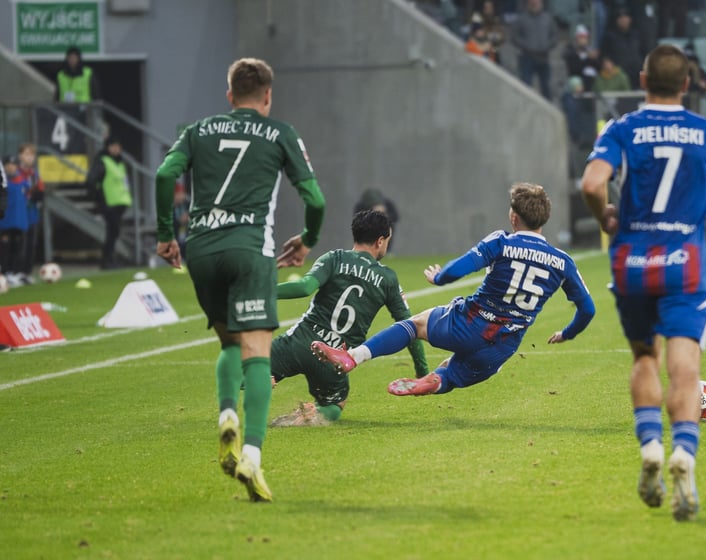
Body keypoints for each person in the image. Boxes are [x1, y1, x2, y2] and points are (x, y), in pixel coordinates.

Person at [580, 44, 706, 522]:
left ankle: (651, 446)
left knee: (644, 358)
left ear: (642, 80)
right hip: (685, 265)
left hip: (632, 262)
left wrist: (607, 219)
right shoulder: (704, 132)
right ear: (686, 84)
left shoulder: (622, 128)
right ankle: (684, 455)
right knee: (684, 367)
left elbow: (593, 184)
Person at [155, 57, 326, 503]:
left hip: (202, 250)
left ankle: (227, 411)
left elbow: (164, 173)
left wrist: (164, 235)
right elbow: (315, 197)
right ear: (267, 96)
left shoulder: (198, 130)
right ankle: (251, 452)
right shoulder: (280, 133)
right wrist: (307, 239)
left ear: (229, 95)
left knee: (229, 342)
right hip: (250, 249)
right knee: (257, 348)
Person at [311, 182, 595, 399]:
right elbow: (588, 310)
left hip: (470, 323)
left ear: (513, 216)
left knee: (416, 325)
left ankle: (354, 356)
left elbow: (459, 269)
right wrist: (566, 333)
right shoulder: (563, 262)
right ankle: (438, 380)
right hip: (504, 344)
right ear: (544, 219)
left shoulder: (502, 242)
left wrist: (439, 278)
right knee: (455, 372)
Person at [269, 210, 427, 426]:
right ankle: (313, 415)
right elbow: (410, 327)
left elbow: (305, 287)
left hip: (298, 342)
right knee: (335, 405)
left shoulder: (334, 258)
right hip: (334, 359)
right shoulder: (387, 278)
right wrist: (422, 372)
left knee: (252, 368)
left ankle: (251, 391)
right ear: (380, 241)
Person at [85, 137, 132, 269]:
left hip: (120, 202)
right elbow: (91, 181)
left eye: (118, 146)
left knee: (114, 232)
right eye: (113, 146)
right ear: (107, 147)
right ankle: (106, 260)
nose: (116, 149)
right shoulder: (102, 162)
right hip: (109, 203)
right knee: (112, 232)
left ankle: (110, 259)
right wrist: (99, 198)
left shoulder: (120, 162)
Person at [511, 0, 560, 100]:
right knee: (525, 86)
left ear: (541, 3)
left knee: (546, 87)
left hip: (544, 57)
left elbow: (555, 35)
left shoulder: (548, 18)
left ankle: (548, 110)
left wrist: (548, 45)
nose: (535, 5)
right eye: (532, 3)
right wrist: (526, 45)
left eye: (537, 3)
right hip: (527, 57)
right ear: (528, 4)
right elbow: (514, 37)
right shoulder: (521, 19)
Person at [0, 156, 31, 288]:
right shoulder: (7, 183)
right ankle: (6, 272)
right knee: (5, 248)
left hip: (19, 221)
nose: (11, 167)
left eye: (13, 164)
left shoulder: (23, 182)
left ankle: (16, 272)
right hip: (5, 221)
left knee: (18, 248)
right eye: (8, 164)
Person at [17, 143, 45, 285]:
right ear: (20, 156)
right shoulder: (15, 172)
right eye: (27, 154)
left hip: (32, 212)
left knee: (30, 243)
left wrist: (38, 194)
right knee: (19, 243)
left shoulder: (35, 174)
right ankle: (15, 272)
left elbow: (40, 190)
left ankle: (26, 272)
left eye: (32, 154)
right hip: (18, 213)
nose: (30, 157)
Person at [600, 7, 644, 89]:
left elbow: (644, 52)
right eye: (620, 17)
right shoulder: (609, 37)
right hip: (619, 77)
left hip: (638, 75)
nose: (623, 19)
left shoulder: (637, 35)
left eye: (625, 16)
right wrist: (606, 61)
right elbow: (604, 55)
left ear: (630, 19)